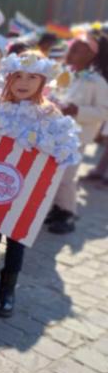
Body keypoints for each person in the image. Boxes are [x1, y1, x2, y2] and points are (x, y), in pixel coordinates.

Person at [0, 52, 80, 316]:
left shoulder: (50, 114)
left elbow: (63, 154)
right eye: (18, 76)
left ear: (43, 81)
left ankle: (7, 290)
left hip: (24, 196)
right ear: (8, 78)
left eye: (32, 77)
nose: (23, 82)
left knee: (16, 242)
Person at [46, 32, 108, 233]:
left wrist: (78, 110)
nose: (70, 53)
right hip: (55, 135)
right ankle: (56, 208)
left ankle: (68, 213)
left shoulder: (97, 81)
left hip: (77, 138)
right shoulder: (66, 74)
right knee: (54, 175)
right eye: (70, 48)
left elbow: (104, 111)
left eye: (76, 50)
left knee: (67, 177)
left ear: (91, 55)